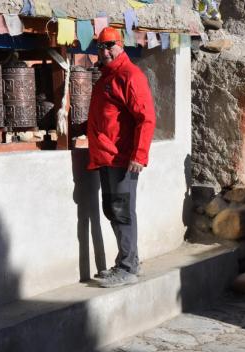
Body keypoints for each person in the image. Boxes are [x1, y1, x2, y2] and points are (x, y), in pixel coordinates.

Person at [80, 27, 156, 288]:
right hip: (105, 155)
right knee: (113, 210)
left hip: (123, 158)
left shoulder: (129, 75)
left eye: (110, 45)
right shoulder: (106, 78)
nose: (105, 51)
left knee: (122, 212)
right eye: (101, 47)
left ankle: (127, 267)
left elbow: (146, 118)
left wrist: (139, 155)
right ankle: (127, 261)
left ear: (121, 45)